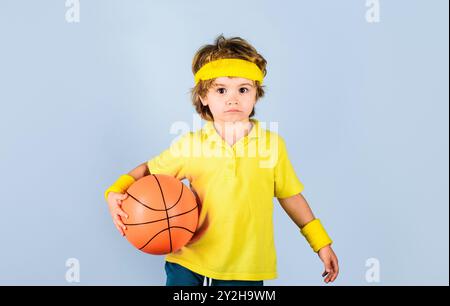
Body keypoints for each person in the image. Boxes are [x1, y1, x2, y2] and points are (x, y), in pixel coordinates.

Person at [104, 35, 339, 286]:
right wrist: (114, 191)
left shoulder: (272, 146)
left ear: (256, 94)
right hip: (189, 263)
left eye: (243, 89)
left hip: (245, 269)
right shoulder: (191, 145)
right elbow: (148, 170)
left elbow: (290, 197)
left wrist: (321, 243)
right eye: (221, 90)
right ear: (204, 96)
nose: (232, 98)